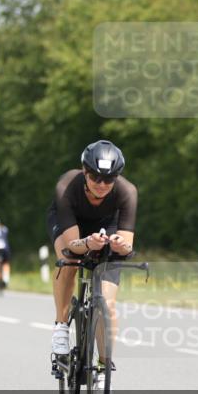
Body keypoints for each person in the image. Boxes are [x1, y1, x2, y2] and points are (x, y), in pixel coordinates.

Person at [46, 140, 137, 378]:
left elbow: (127, 247)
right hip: (71, 223)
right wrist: (87, 243)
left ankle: (104, 363)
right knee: (70, 263)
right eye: (95, 177)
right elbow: (72, 247)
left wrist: (119, 245)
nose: (102, 184)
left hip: (108, 224)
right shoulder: (67, 185)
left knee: (107, 303)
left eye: (109, 179)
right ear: (84, 172)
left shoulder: (127, 192)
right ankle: (61, 326)